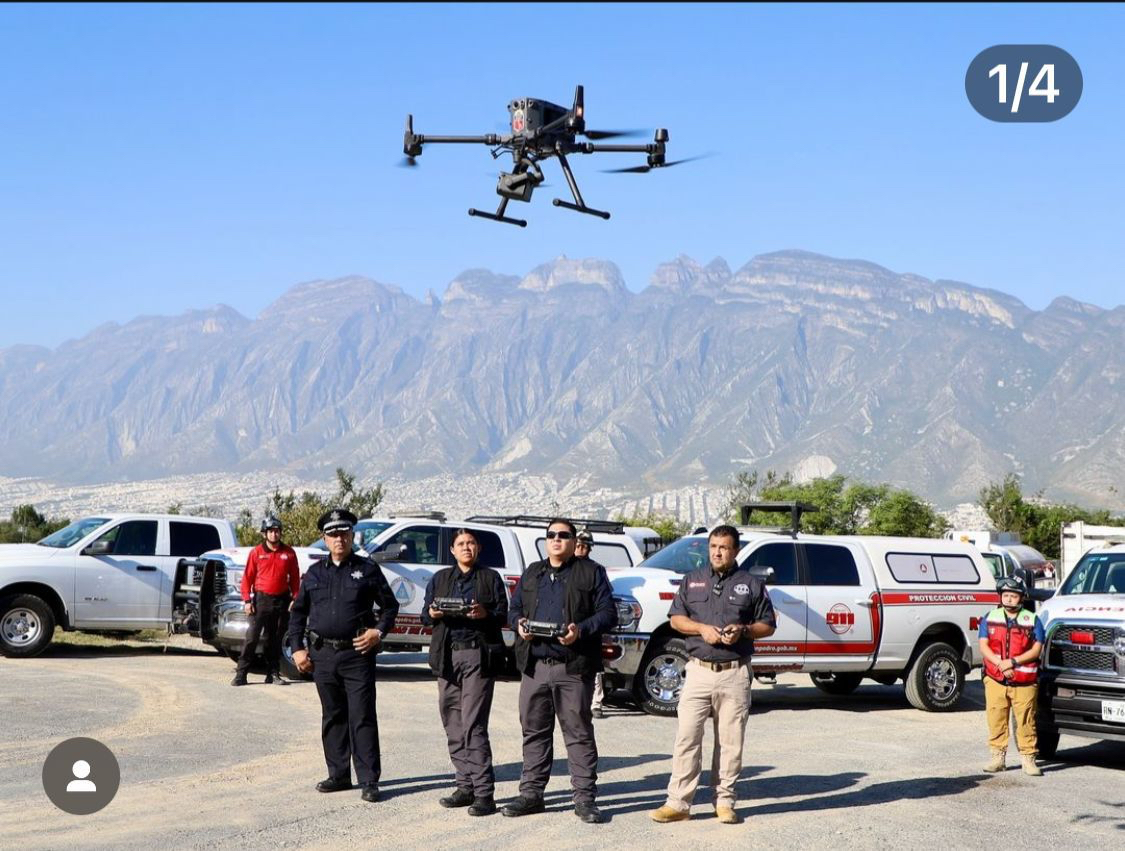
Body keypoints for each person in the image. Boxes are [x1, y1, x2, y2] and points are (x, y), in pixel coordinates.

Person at [650, 525, 776, 826]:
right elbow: (677, 619)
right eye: (713, 547)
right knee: (687, 737)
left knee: (731, 742)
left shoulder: (751, 584)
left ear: (735, 551)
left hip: (734, 672)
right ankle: (678, 803)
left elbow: (768, 625)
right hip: (697, 670)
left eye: (724, 547)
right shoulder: (692, 580)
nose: (718, 552)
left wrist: (743, 630)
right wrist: (701, 629)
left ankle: (725, 802)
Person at [502, 518, 616, 824]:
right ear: (546, 540)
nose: (556, 539)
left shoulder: (591, 572)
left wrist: (580, 630)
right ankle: (531, 795)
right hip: (535, 666)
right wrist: (519, 626)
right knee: (534, 732)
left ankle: (584, 799)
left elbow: (608, 614)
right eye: (551, 535)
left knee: (578, 734)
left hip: (573, 667)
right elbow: (513, 610)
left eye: (563, 535)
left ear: (573, 541)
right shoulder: (533, 573)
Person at [287, 508, 399, 803]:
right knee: (333, 716)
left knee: (361, 717)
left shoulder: (367, 569)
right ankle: (338, 774)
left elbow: (390, 606)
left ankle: (369, 780)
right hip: (323, 654)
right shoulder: (314, 573)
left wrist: (378, 632)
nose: (339, 539)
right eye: (333, 535)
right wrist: (298, 648)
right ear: (324, 539)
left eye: (344, 534)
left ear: (352, 536)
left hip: (357, 655)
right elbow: (297, 613)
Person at [421, 528, 509, 816]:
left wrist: (485, 614)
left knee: (473, 723)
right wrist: (433, 613)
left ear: (478, 548)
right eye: (461, 543)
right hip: (447, 655)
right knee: (452, 722)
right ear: (452, 550)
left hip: (477, 655)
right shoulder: (440, 579)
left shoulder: (490, 578)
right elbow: (425, 615)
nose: (466, 547)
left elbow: (503, 614)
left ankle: (485, 793)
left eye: (471, 543)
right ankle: (465, 785)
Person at [979, 576, 1045, 776]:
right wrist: (1001, 664)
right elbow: (983, 645)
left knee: (1026, 720)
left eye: (1013, 596)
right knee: (996, 717)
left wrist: (1013, 662)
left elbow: (1036, 650)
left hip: (1024, 681)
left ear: (1021, 598)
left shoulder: (1033, 619)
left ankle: (1028, 759)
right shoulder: (990, 617)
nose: (1008, 599)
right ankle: (997, 757)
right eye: (1005, 595)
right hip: (995, 678)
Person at [232, 514, 300, 686]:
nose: (274, 535)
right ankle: (241, 674)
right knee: (252, 638)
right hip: (261, 600)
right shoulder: (257, 553)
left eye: (277, 531)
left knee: (275, 639)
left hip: (282, 600)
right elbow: (247, 578)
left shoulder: (289, 553)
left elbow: (295, 578)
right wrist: (247, 600)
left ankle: (273, 673)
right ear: (265, 534)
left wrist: (295, 598)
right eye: (270, 531)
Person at [575, 529, 607, 720]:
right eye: (578, 545)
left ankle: (596, 703)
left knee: (595, 668)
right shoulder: (567, 567)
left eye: (584, 546)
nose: (581, 549)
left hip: (591, 625)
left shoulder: (596, 570)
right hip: (571, 623)